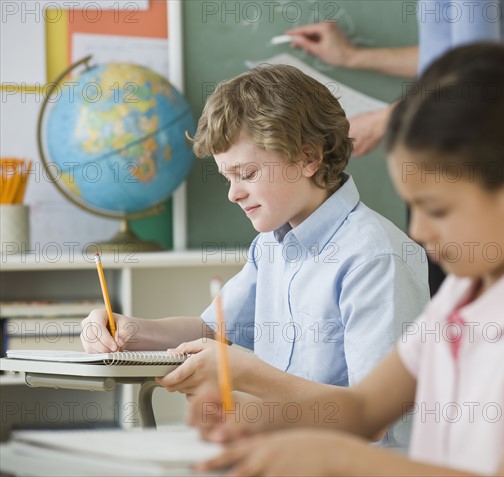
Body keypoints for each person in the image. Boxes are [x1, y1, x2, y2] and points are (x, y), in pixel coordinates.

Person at [190, 44, 504, 476]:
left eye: (437, 209)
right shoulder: (464, 291)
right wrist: (251, 419)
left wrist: (336, 458)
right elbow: (364, 407)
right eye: (412, 207)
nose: (419, 232)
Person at [80, 64, 430, 446]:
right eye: (227, 177)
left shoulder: (373, 256)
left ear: (308, 158)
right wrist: (131, 330)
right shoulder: (272, 244)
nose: (233, 194)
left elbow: (372, 419)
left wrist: (246, 374)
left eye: (246, 173)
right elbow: (212, 330)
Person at [287, 0, 504, 157]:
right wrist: (350, 56)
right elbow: (450, 56)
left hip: (463, 149)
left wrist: (384, 120)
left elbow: (474, 72)